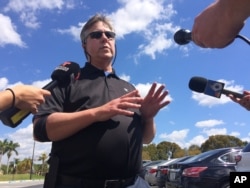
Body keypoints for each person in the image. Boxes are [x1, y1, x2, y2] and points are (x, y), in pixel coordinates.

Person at [33, 14, 170, 188]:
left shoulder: (128, 87)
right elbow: (40, 130)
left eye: (109, 35)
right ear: (84, 45)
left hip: (134, 183)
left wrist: (148, 118)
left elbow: (146, 139)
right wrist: (97, 113)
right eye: (96, 35)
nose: (104, 38)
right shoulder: (68, 80)